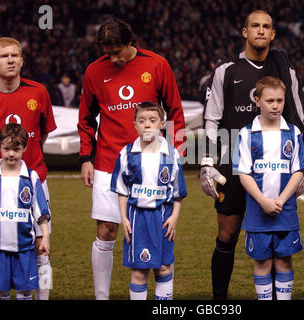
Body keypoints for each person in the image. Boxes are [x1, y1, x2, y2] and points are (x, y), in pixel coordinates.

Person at [200, 9, 304, 300]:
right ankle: (219, 301)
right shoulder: (226, 71)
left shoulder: (287, 71)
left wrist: (303, 168)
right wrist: (208, 162)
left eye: (267, 27)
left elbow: (298, 116)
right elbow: (212, 118)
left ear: (273, 34)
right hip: (233, 168)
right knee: (227, 236)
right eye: (255, 26)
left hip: (275, 167)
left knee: (275, 240)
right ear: (244, 32)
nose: (261, 30)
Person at [77, 18, 186, 300]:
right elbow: (86, 119)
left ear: (130, 43)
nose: (112, 58)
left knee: (159, 230)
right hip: (108, 160)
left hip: (152, 163)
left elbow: (174, 111)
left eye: (117, 51)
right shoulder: (94, 71)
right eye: (107, 52)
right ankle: (102, 296)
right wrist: (85, 158)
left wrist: (176, 152)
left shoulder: (157, 65)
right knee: (106, 229)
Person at [0, 37, 56, 300]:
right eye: (4, 56)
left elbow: (40, 135)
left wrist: (27, 169)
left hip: (35, 182)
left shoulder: (39, 92)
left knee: (41, 249)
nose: (10, 60)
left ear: (22, 60)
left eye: (15, 55)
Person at [111, 101, 187, 300]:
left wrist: (174, 218)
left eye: (152, 120)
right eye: (142, 121)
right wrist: (123, 218)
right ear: (135, 124)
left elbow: (178, 192)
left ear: (161, 124)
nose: (147, 125)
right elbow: (122, 190)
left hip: (163, 219)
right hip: (137, 220)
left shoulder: (171, 154)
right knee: (139, 271)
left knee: (163, 268)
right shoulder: (127, 154)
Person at [0, 123, 51, 300]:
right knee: (0, 292)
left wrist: (45, 237)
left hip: (24, 248)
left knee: (24, 292)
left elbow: (41, 213)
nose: (11, 154)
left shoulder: (30, 177)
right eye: (6, 148)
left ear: (24, 148)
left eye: (16, 149)